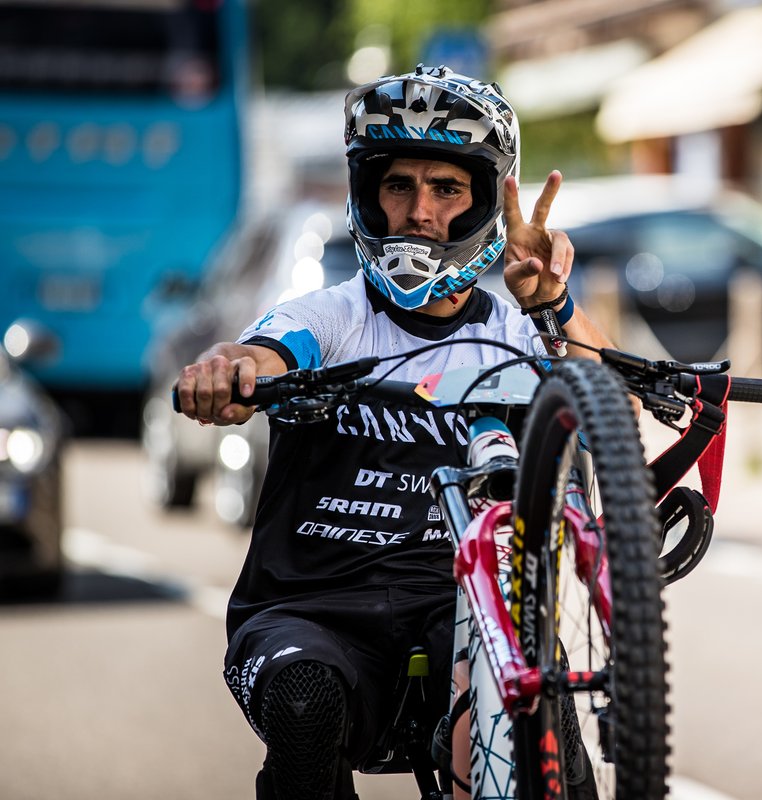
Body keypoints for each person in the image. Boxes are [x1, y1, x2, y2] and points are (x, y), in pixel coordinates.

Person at [173, 65, 616, 800]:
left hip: (465, 608)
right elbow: (262, 353)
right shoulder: (331, 315)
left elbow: (612, 418)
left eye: (447, 188)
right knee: (305, 703)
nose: (419, 211)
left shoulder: (516, 329)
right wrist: (225, 372)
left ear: (484, 201)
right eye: (399, 185)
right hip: (309, 609)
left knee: (530, 703)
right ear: (368, 195)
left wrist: (558, 306)